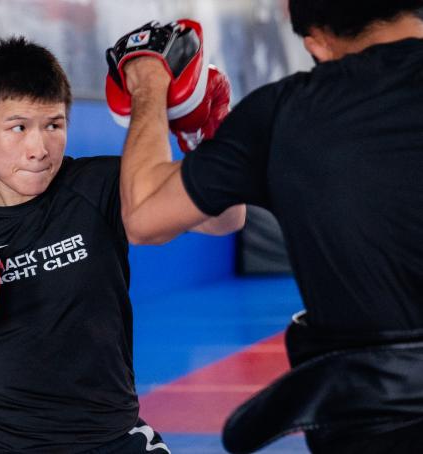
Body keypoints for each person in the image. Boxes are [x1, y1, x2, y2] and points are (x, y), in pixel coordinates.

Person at [0, 37, 244, 453]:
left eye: (54, 125)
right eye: (18, 127)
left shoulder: (98, 186)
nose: (39, 149)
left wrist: (206, 141)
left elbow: (226, 219)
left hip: (112, 440)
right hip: (4, 444)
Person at [114, 1, 423, 453]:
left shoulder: (286, 111)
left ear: (316, 40)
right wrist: (205, 138)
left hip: (375, 430)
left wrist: (149, 84)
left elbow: (143, 217)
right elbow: (225, 217)